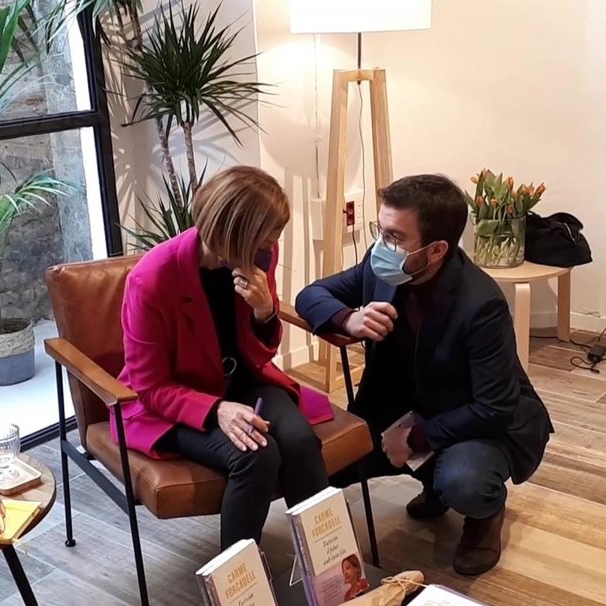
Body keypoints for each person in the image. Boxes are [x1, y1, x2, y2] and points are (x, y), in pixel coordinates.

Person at [295, 174, 552, 576]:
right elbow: (311, 295)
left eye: (395, 238)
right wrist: (348, 319)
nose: (382, 246)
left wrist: (415, 438)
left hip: (472, 421)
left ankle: (483, 513)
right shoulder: (381, 267)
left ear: (437, 250)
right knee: (325, 462)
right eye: (380, 231)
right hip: (401, 404)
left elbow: (494, 407)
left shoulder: (481, 304)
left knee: (465, 481)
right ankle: (432, 480)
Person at [116, 166, 333, 550]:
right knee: (256, 456)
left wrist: (265, 312)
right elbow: (150, 387)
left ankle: (330, 568)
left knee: (300, 441)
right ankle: (239, 583)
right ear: (234, 233)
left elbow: (261, 352)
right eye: (266, 237)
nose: (272, 246)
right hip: (175, 401)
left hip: (244, 382)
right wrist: (216, 409)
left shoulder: (258, 256)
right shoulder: (152, 280)